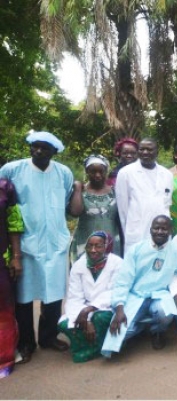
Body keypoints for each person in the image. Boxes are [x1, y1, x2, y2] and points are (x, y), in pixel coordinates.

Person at [0, 131, 74, 363]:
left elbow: (66, 202)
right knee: (24, 296)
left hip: (55, 242)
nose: (38, 151)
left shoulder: (63, 173)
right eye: (35, 146)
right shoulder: (12, 170)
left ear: (55, 152)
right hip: (25, 244)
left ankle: (48, 337)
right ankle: (26, 342)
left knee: (53, 294)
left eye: (45, 148)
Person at [101, 216, 177, 356]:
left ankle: (157, 331)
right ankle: (141, 328)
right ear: (150, 230)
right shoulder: (136, 249)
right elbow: (123, 281)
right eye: (156, 228)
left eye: (164, 228)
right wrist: (119, 309)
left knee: (165, 314)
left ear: (170, 231)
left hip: (160, 295)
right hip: (136, 295)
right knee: (120, 334)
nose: (160, 231)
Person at [58, 232, 122, 363]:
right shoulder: (78, 266)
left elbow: (114, 292)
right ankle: (91, 347)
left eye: (98, 246)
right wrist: (86, 319)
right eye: (90, 246)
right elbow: (74, 297)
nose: (93, 250)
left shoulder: (117, 263)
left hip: (108, 307)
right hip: (83, 307)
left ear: (107, 246)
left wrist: (89, 310)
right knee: (65, 324)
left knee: (100, 318)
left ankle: (97, 347)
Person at [115, 138, 173, 253]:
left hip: (161, 232)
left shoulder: (167, 174)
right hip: (136, 231)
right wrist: (130, 230)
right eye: (142, 149)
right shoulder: (125, 173)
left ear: (157, 152)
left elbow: (166, 204)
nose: (145, 152)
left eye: (149, 149)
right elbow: (123, 210)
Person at [69, 155, 122, 260]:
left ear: (106, 171)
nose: (97, 175)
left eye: (101, 171)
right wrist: (78, 189)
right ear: (87, 172)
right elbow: (75, 212)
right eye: (93, 171)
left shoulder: (115, 192)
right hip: (85, 244)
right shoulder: (81, 192)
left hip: (110, 244)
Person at [0, 178, 23, 377]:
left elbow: (14, 223)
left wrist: (16, 256)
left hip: (1, 259)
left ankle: (4, 359)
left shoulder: (4, 187)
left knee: (4, 312)